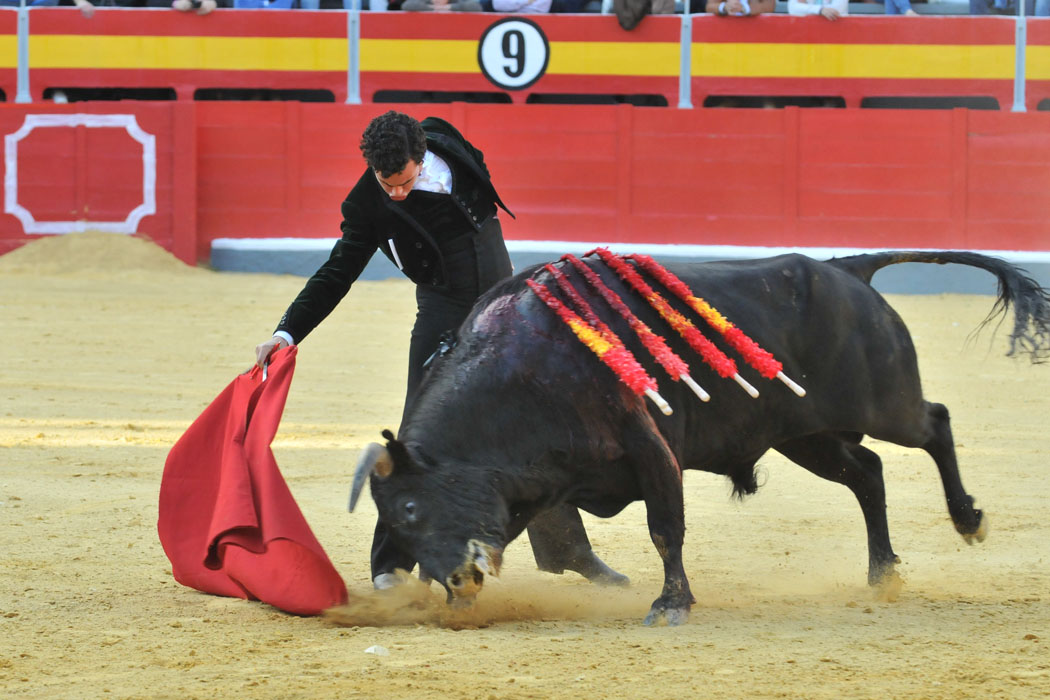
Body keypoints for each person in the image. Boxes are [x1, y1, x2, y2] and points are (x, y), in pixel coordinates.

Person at [254, 111, 627, 592]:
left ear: (422, 155)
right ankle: (392, 567)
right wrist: (286, 333)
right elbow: (337, 273)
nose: (395, 194)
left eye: (404, 182)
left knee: (529, 429)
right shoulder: (367, 204)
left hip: (504, 305)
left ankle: (569, 553)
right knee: (417, 436)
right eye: (386, 184)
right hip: (442, 311)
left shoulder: (446, 140)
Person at [705, 0, 775, 16]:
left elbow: (769, 6)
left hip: (756, 30)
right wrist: (724, 6)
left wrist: (745, 8)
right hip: (725, 30)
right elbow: (709, 7)